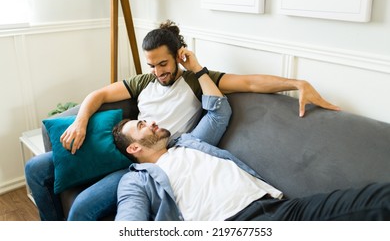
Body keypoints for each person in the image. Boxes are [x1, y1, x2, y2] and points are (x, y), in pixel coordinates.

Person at [25, 20, 340, 221]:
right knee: (36, 168)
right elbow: (98, 95)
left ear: (178, 55)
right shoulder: (143, 82)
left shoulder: (193, 81)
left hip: (152, 157)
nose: (158, 72)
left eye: (163, 63)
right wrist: (80, 121)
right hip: (128, 141)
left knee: (82, 207)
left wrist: (297, 84)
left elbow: (250, 83)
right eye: (152, 65)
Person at [112, 58, 389, 221]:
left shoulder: (189, 141)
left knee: (377, 199)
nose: (151, 121)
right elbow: (129, 222)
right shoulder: (136, 180)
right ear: (134, 147)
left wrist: (195, 66)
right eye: (142, 124)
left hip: (280, 208)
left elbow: (219, 111)